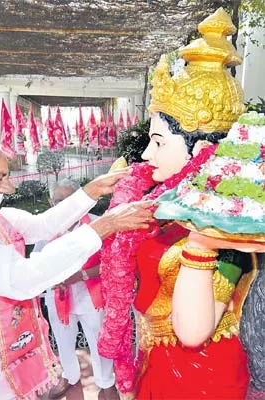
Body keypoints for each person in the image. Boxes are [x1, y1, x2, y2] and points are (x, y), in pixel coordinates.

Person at [0, 133, 153, 400]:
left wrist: (92, 191)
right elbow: (20, 278)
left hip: (4, 358)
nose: (8, 188)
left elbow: (42, 226)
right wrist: (105, 226)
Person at [96, 9, 255, 399]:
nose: (147, 154)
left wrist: (204, 241)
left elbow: (192, 330)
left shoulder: (229, 223)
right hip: (156, 359)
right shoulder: (163, 202)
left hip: (205, 375)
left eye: (159, 141)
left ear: (202, 150)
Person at [32, 180, 117, 400]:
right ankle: (69, 377)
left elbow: (112, 262)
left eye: (71, 199)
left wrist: (81, 276)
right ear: (52, 202)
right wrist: (52, 278)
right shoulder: (44, 231)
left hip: (93, 295)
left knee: (100, 339)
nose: (65, 205)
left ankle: (106, 382)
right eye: (60, 200)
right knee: (63, 339)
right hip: (58, 296)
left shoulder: (98, 225)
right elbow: (36, 266)